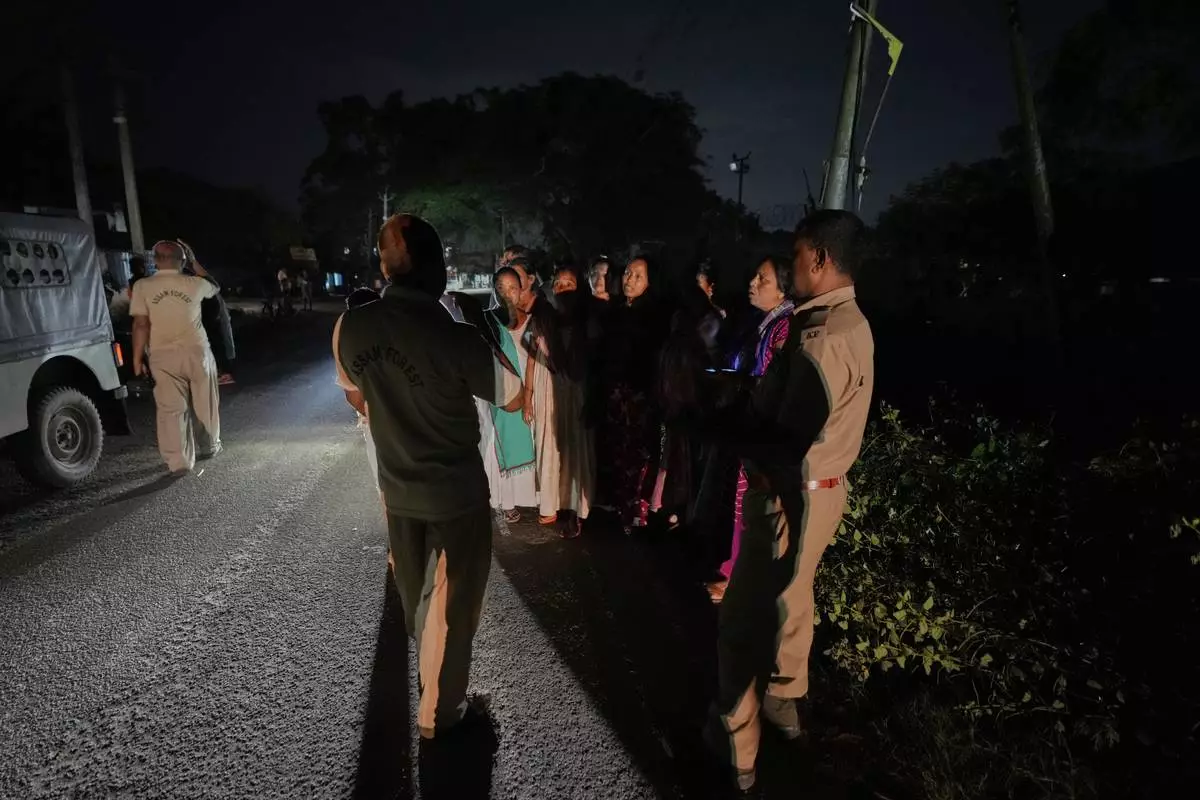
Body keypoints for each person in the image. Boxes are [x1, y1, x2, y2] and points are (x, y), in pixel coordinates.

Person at [333, 213, 523, 741]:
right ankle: (440, 713)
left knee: (418, 597)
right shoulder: (453, 335)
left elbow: (353, 390)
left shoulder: (352, 326)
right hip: (455, 498)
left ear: (386, 268)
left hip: (397, 493)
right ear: (434, 267)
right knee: (455, 606)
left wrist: (393, 407)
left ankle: (432, 680)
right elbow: (514, 395)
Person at [706, 210, 874, 795]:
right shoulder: (847, 321)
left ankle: (738, 750)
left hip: (786, 498)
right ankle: (783, 708)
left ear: (820, 259)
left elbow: (785, 439)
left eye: (797, 256)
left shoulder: (821, 336)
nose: (791, 266)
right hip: (820, 493)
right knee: (790, 610)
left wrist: (722, 423)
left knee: (744, 624)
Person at [706, 256, 796, 604]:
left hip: (763, 432)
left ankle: (740, 583)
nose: (754, 282)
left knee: (753, 508)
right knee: (745, 504)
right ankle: (736, 573)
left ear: (783, 289)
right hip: (753, 428)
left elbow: (772, 384)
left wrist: (741, 382)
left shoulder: (784, 327)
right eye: (755, 275)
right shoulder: (767, 323)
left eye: (764, 278)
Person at [130, 240, 222, 476]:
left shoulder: (142, 286)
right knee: (205, 401)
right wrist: (194, 261)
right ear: (182, 261)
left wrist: (137, 358)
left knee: (171, 409)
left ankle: (179, 462)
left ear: (155, 260)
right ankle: (209, 445)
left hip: (163, 355)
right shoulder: (194, 283)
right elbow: (215, 285)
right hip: (197, 351)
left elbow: (140, 324)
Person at [596, 255, 668, 533]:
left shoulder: (654, 317)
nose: (629, 280)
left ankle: (634, 511)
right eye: (627, 273)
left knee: (636, 454)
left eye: (638, 276)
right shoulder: (614, 311)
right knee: (615, 450)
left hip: (639, 396)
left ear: (650, 282)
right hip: (614, 394)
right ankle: (618, 506)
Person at [476, 266, 538, 522]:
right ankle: (506, 500)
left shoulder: (534, 320)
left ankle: (532, 496)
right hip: (504, 394)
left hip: (533, 391)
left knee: (534, 439)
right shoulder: (488, 322)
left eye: (513, 288)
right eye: (501, 289)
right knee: (498, 442)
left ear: (522, 289)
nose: (507, 294)